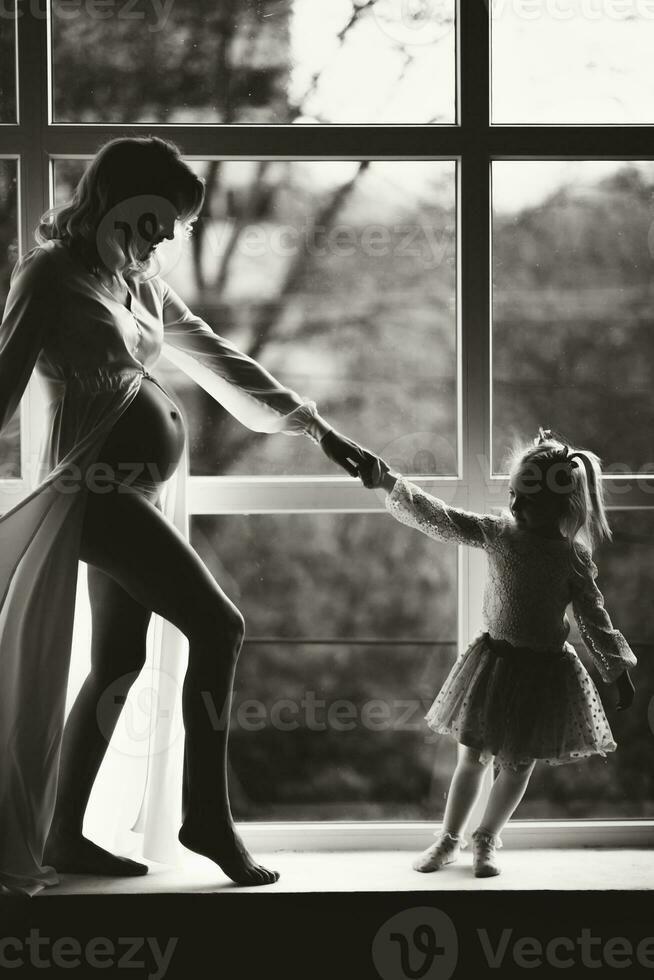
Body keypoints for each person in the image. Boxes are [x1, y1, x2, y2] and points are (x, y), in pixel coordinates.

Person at [0, 135, 379, 895]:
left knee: (120, 661)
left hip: (134, 495)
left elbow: (219, 359)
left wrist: (322, 432)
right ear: (118, 202)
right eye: (165, 216)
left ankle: (66, 835)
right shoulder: (50, 275)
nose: (172, 234)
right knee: (219, 625)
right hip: (93, 494)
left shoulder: (136, 281)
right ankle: (207, 816)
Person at [361, 427, 637, 877]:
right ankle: (449, 838)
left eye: (527, 499)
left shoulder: (572, 558)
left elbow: (594, 618)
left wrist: (617, 670)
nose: (514, 505)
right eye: (513, 494)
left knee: (519, 762)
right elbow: (444, 517)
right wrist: (391, 484)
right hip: (494, 664)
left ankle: (486, 838)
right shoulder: (498, 534)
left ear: (562, 505)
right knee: (472, 755)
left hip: (545, 673)